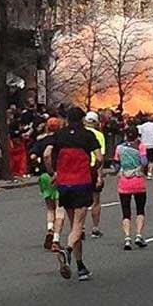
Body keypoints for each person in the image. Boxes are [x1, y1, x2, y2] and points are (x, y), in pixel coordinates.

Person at [44, 107, 102, 281]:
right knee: (78, 226)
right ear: (83, 119)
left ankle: (80, 265)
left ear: (67, 119)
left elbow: (47, 154)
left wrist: (53, 172)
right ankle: (68, 250)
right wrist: (92, 170)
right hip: (82, 182)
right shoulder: (88, 135)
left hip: (64, 183)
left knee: (72, 224)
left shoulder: (59, 135)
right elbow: (99, 158)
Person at [31, 117, 63, 252]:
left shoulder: (41, 140)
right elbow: (47, 154)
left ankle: (50, 228)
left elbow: (32, 156)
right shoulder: (61, 140)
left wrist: (37, 165)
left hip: (44, 176)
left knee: (50, 207)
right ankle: (56, 238)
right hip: (58, 174)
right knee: (59, 207)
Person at [114, 126, 149, 250]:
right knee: (140, 209)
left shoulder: (119, 148)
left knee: (126, 211)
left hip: (124, 182)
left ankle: (127, 237)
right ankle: (139, 235)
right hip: (138, 181)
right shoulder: (141, 147)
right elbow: (144, 162)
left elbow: (116, 163)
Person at [85, 111, 106, 238]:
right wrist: (99, 175)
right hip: (93, 168)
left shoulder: (80, 134)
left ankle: (80, 227)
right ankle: (95, 227)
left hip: (81, 169)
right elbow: (100, 157)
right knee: (96, 200)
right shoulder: (99, 135)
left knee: (80, 200)